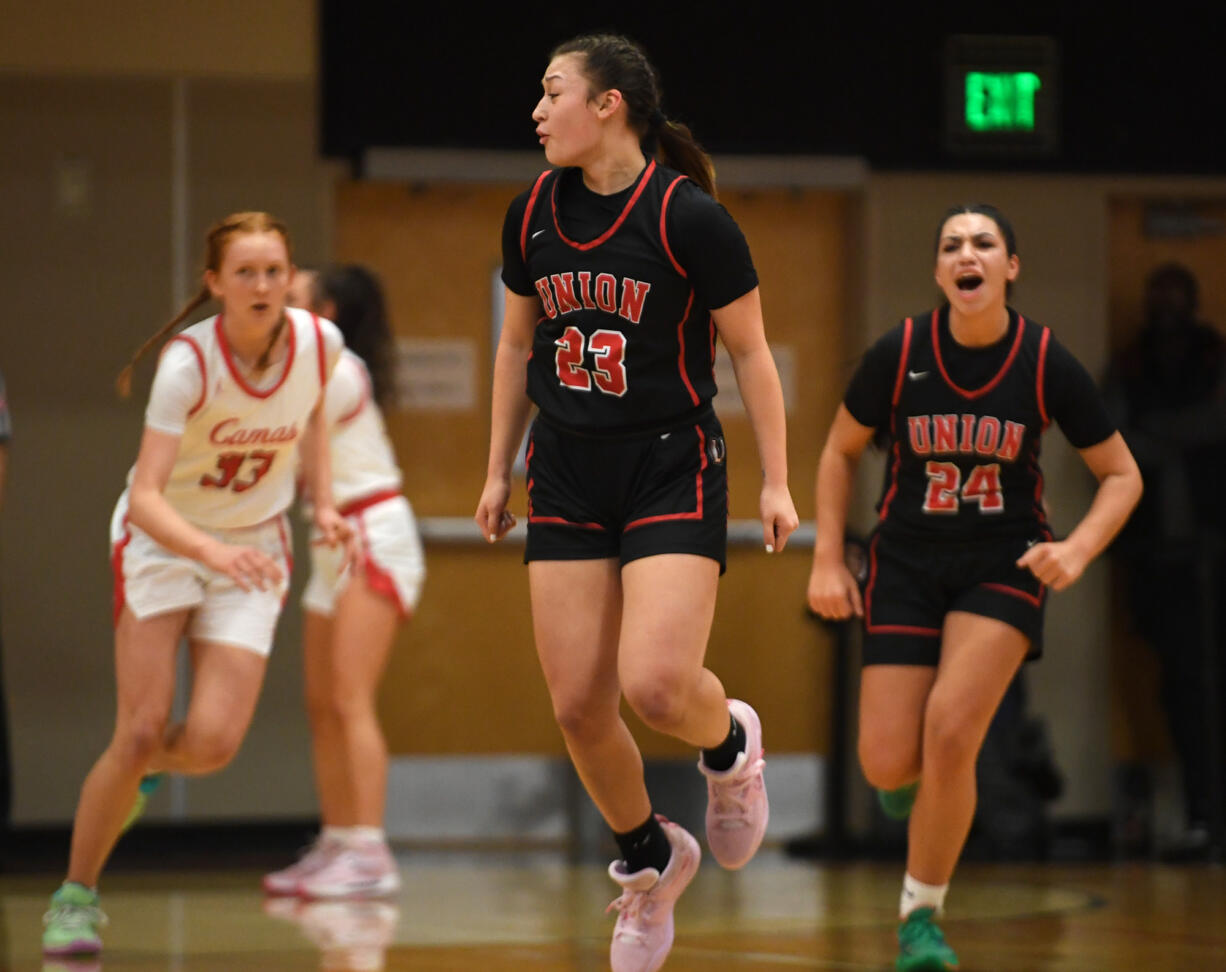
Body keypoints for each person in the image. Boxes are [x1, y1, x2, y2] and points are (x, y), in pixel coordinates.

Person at [474, 33, 798, 972]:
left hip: (669, 461)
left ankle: (730, 743)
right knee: (578, 704)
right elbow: (511, 350)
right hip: (567, 467)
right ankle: (652, 861)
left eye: (553, 92)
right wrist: (498, 469)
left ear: (609, 104)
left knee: (656, 687)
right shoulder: (530, 213)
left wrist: (778, 478)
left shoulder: (688, 219)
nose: (537, 111)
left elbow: (751, 355)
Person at [807, 204, 1142, 971]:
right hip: (908, 561)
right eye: (953, 245)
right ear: (939, 272)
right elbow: (838, 451)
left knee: (953, 732)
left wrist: (1080, 548)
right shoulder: (899, 352)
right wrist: (829, 557)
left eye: (984, 243)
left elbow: (1122, 475)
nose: (969, 254)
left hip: (1004, 562)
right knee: (888, 761)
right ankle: (909, 785)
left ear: (1010, 268)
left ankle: (920, 920)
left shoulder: (1046, 361)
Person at [41, 212, 352, 957]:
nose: (263, 285)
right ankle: (75, 896)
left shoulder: (320, 344)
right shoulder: (189, 364)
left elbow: (310, 420)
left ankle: (138, 778)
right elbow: (146, 495)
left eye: (275, 270)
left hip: (252, 546)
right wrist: (210, 553)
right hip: (164, 541)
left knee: (210, 744)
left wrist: (326, 502)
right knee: (142, 725)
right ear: (214, 284)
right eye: (245, 272)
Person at [263, 264, 424, 898]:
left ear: (323, 313)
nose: (277, 300)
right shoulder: (297, 369)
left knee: (352, 698)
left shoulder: (338, 369)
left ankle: (369, 850)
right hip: (329, 539)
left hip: (372, 533)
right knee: (321, 703)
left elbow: (290, 440)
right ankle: (337, 839)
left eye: (294, 294)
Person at [1104, 262, 1226, 857]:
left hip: (1214, 537)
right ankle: (1200, 813)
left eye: (1177, 297)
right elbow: (1112, 439)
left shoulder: (1213, 356)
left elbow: (1218, 420)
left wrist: (1163, 433)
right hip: (1159, 553)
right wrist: (1180, 437)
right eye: (1159, 298)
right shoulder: (1130, 363)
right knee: (1181, 685)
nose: (1167, 309)